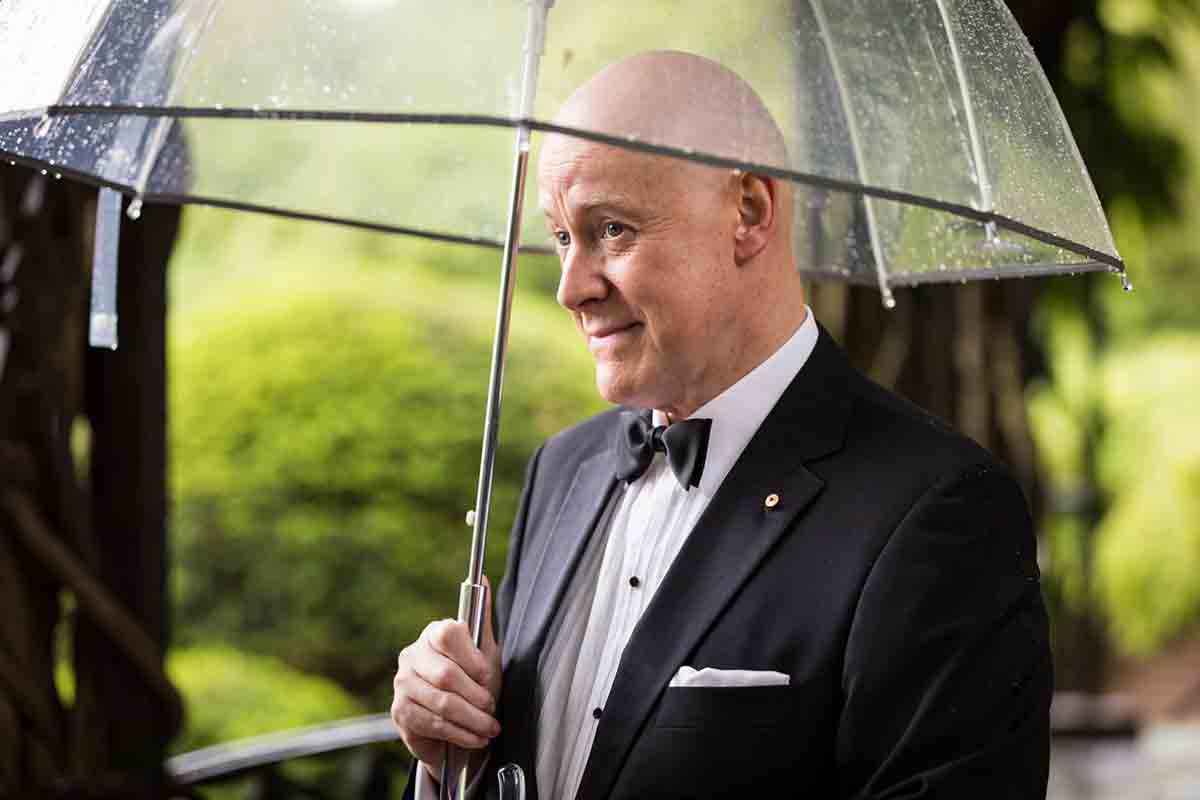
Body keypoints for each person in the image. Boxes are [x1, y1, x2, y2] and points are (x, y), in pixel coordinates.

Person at [391, 51, 1052, 800]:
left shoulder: (940, 510)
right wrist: (449, 755)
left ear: (748, 213)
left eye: (611, 228)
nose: (572, 288)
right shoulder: (562, 469)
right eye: (562, 238)